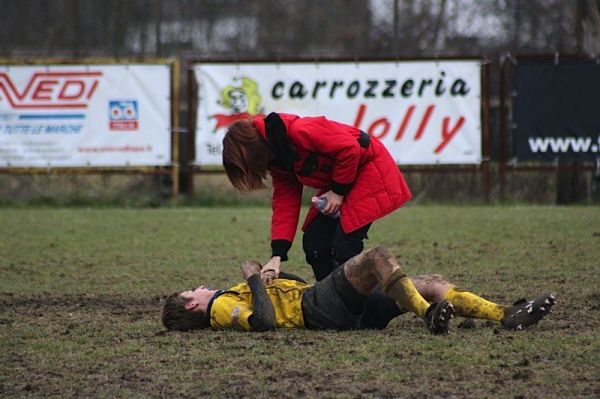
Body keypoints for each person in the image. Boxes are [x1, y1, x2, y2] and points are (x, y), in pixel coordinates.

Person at [161, 246, 555, 333]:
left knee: (433, 285)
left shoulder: (228, 299)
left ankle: (506, 314)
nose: (200, 285)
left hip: (323, 307)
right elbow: (264, 322)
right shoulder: (217, 310)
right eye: (191, 289)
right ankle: (429, 316)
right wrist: (250, 277)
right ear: (193, 305)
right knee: (376, 259)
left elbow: (283, 294)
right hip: (317, 310)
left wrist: (269, 277)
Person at [222, 113, 412, 283]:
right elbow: (285, 204)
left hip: (369, 169)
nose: (256, 172)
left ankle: (364, 304)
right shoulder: (278, 159)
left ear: (251, 153)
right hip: (344, 180)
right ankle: (331, 299)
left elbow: (349, 149)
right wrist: (277, 254)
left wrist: (338, 191)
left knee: (345, 245)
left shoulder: (300, 131)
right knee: (315, 242)